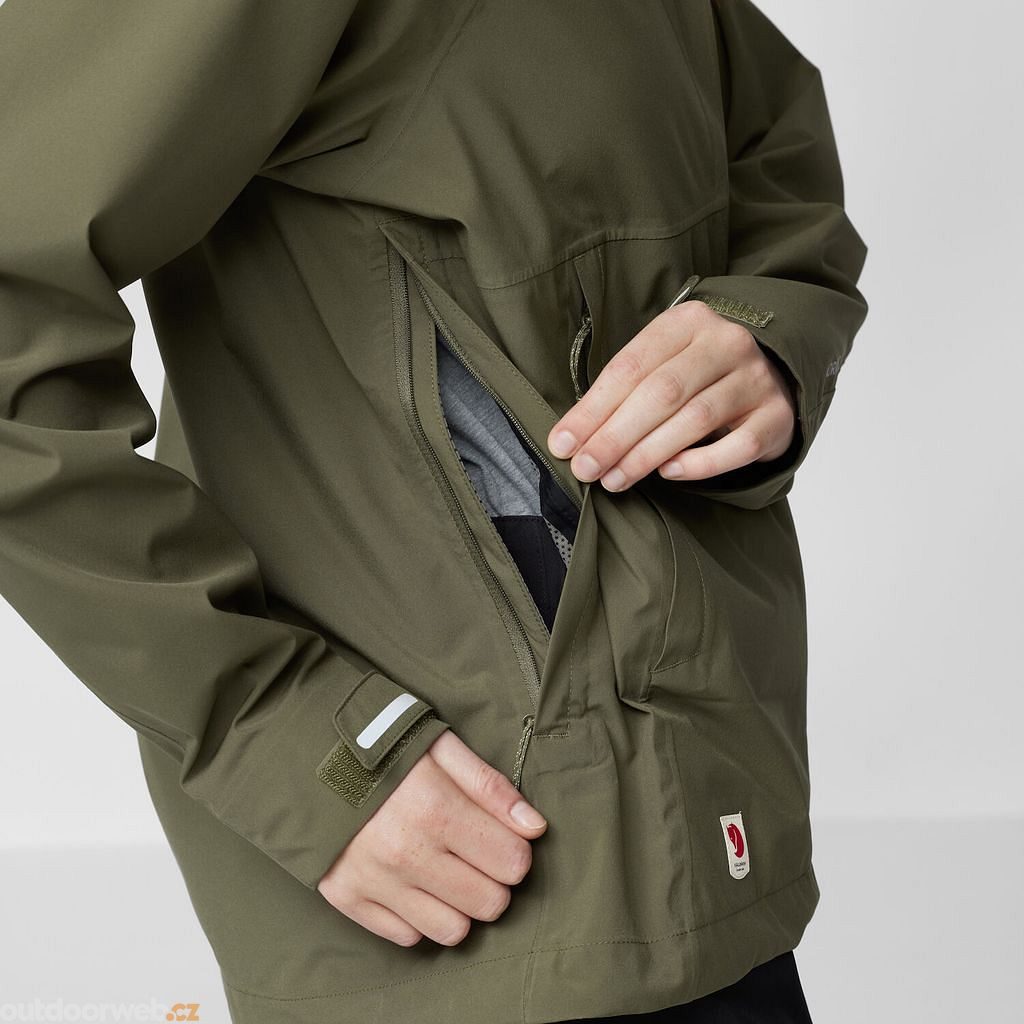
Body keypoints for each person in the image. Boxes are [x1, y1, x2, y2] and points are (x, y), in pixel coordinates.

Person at [0, 2, 868, 1022]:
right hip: (464, 872)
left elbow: (765, 134)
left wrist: (764, 328)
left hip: (710, 826)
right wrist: (290, 742)